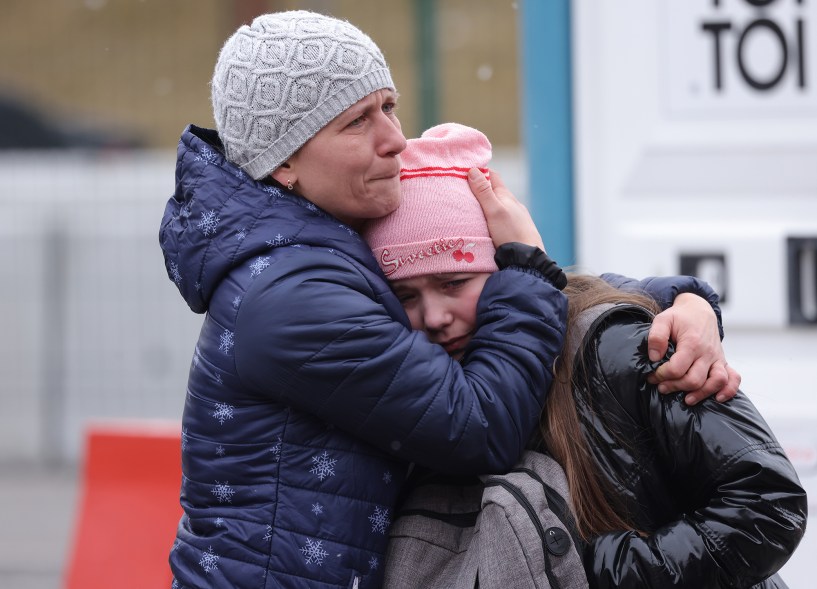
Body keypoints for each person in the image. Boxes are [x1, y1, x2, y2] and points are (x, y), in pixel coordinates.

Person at [159, 12, 735, 589]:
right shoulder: (291, 295)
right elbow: (480, 426)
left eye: (388, 106)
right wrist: (526, 265)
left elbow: (495, 285)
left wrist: (680, 302)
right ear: (282, 161)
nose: (392, 139)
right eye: (357, 122)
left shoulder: (319, 240)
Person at [362, 122, 807, 588]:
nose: (434, 316)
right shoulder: (417, 385)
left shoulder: (618, 347)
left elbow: (766, 501)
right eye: (405, 296)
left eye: (454, 284)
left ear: (509, 266)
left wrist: (602, 572)